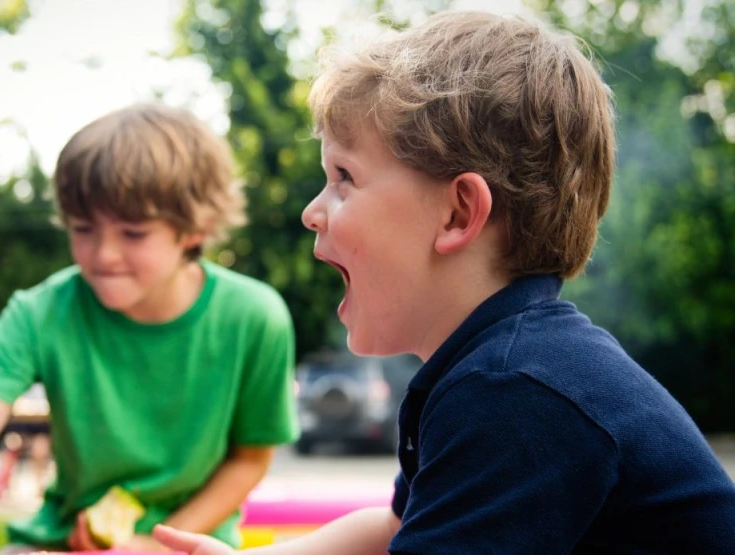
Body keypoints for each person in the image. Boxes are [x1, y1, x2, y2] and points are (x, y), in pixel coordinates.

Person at [152, 10, 735, 555]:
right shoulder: (498, 366)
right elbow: (394, 529)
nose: (311, 210)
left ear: (457, 214)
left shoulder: (515, 393)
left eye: (344, 177)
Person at [0, 103, 300, 554]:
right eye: (83, 229)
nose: (103, 255)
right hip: (61, 543)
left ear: (195, 228)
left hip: (191, 545)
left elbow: (250, 458)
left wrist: (156, 545)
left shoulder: (255, 316)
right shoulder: (39, 313)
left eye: (133, 233)